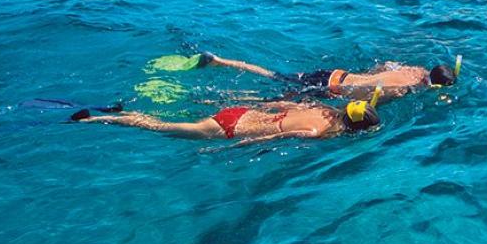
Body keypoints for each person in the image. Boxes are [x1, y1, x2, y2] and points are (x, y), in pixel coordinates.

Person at [71, 97, 379, 146]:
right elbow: (272, 139)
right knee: (161, 127)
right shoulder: (319, 130)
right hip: (231, 129)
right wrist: (238, 146)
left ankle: (119, 111)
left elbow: (283, 104)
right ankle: (97, 120)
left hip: (242, 112)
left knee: (169, 120)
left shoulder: (322, 108)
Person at [197, 52, 458, 100]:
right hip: (329, 89)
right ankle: (220, 98)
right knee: (272, 98)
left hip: (336, 74)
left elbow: (383, 67)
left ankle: (221, 61)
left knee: (276, 75)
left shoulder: (413, 69)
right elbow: (368, 101)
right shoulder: (403, 91)